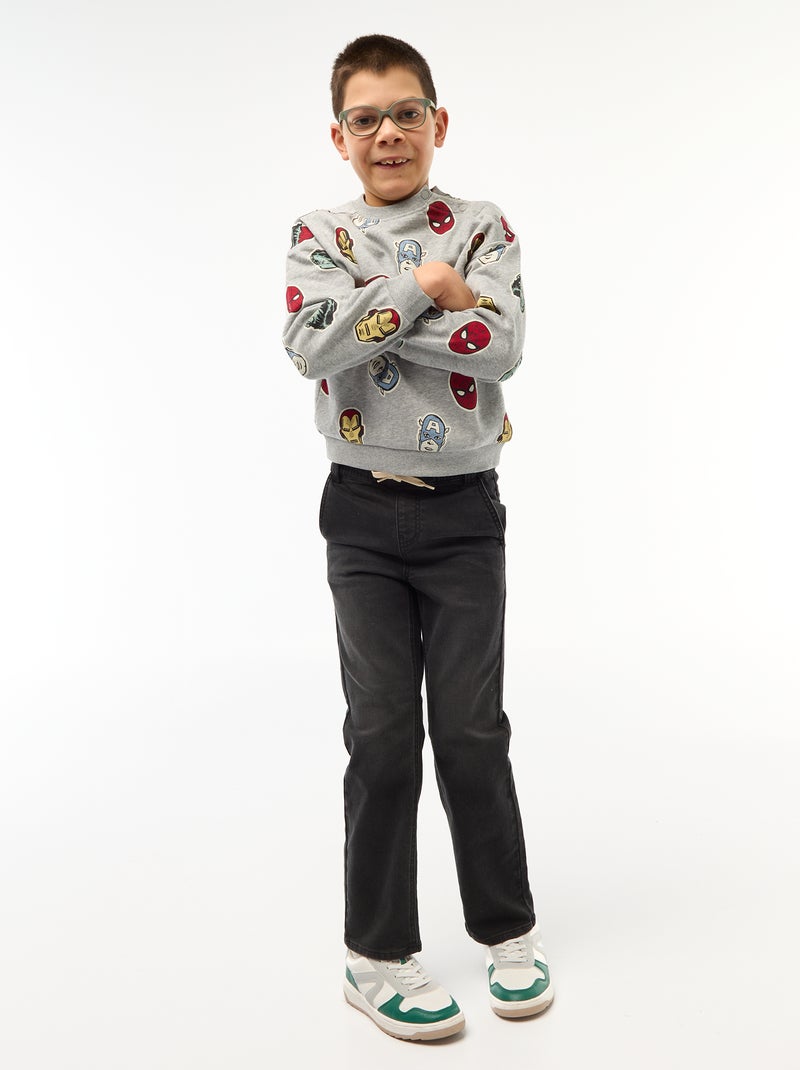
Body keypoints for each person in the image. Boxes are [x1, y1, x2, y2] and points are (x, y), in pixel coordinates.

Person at [282, 34, 553, 1041]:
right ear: (340, 136)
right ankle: (376, 954)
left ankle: (506, 931)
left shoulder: (481, 226)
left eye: (406, 114)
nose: (387, 133)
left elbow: (502, 346)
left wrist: (377, 310)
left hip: (462, 514)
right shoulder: (320, 231)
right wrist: (425, 289)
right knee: (382, 731)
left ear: (437, 123)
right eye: (366, 119)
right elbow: (309, 344)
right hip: (360, 513)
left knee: (472, 728)